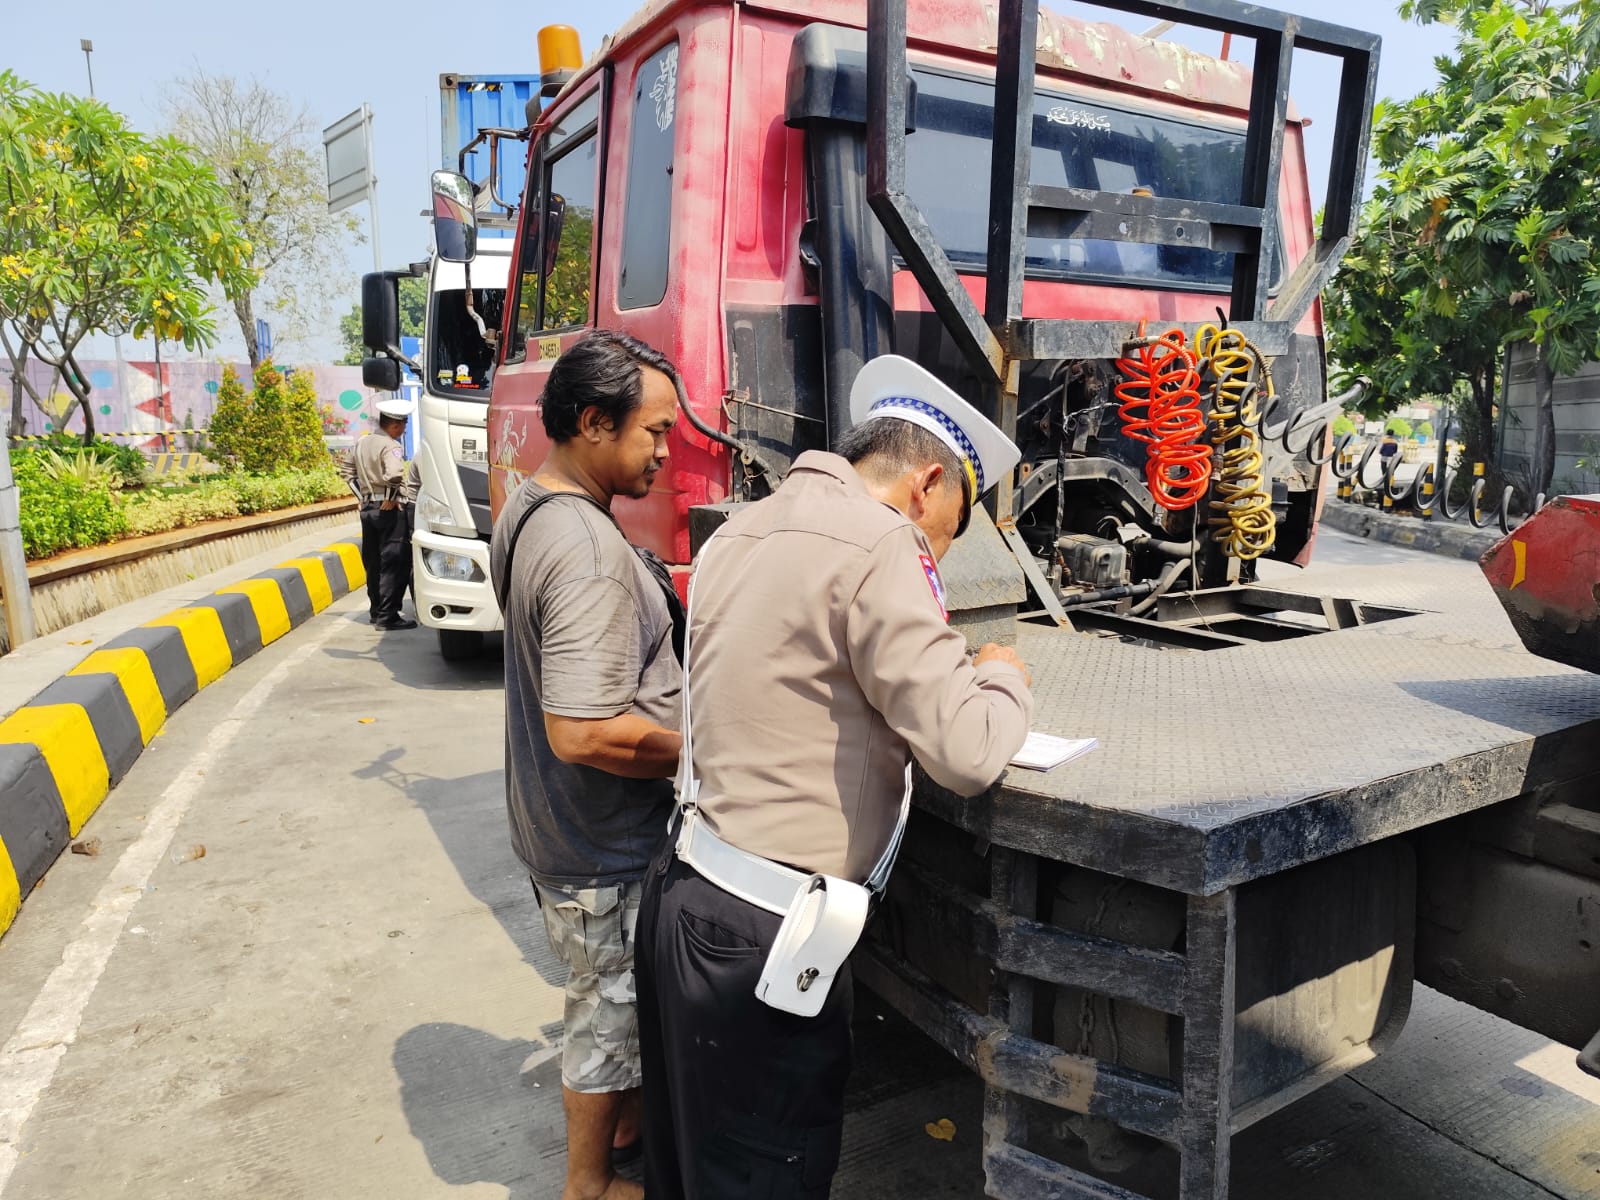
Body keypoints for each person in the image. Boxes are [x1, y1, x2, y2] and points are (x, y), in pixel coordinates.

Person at [637, 354, 1036, 1199]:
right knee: (763, 1174)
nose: (940, 556)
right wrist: (999, 674)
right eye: (951, 532)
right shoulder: (881, 539)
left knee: (693, 1170)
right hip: (767, 943)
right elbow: (966, 751)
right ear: (928, 484)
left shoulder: (741, 528)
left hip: (683, 897)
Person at [488, 329, 685, 1200]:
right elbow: (580, 731)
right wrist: (705, 748)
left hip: (556, 827)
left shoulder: (528, 506)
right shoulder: (588, 555)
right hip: (599, 844)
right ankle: (590, 1184)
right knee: (604, 1020)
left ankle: (629, 1132)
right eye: (655, 432)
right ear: (595, 423)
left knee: (619, 1007)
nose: (667, 453)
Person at [341, 397, 416, 630]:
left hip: (368, 510)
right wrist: (391, 497)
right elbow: (394, 475)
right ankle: (388, 615)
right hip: (388, 510)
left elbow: (346, 472)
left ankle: (375, 611)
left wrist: (363, 498)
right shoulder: (391, 445)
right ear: (394, 425)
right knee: (394, 562)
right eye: (403, 424)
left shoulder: (361, 443)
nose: (404, 429)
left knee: (373, 562)